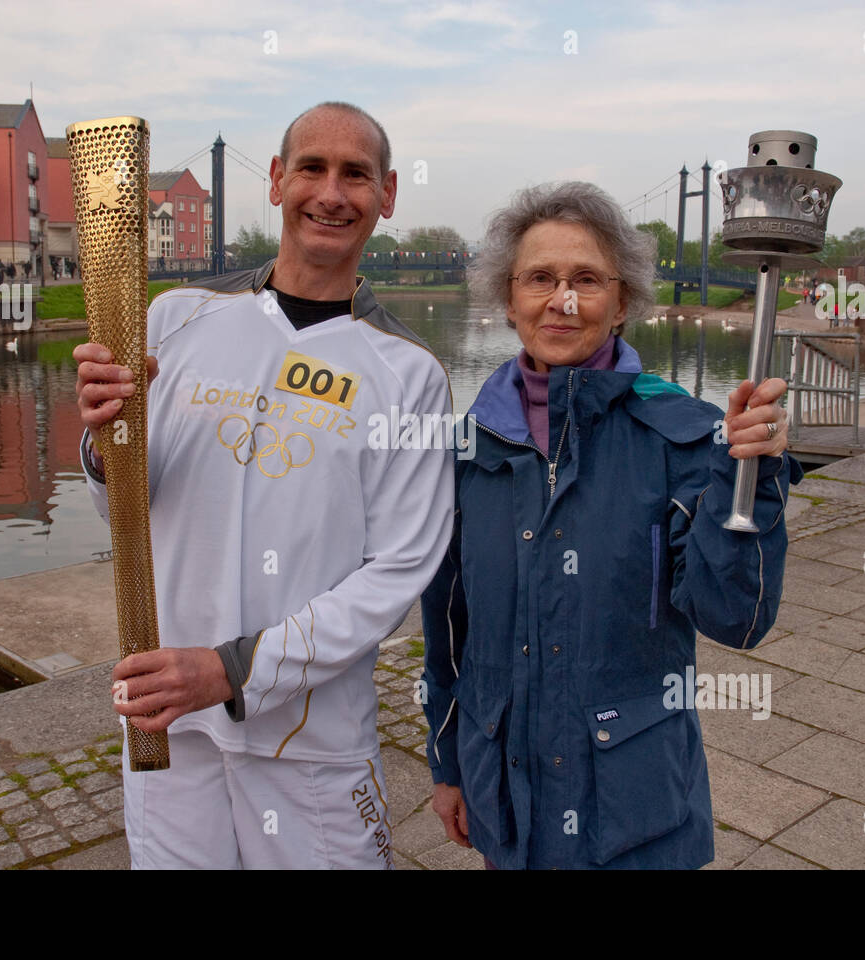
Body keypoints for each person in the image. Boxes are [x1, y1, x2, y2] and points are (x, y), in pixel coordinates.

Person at [73, 101, 453, 869]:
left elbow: (401, 570)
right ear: (277, 181)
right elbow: (133, 509)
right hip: (169, 723)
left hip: (308, 740)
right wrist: (106, 439)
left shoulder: (410, 374)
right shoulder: (173, 318)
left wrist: (236, 666)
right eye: (311, 167)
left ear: (388, 196)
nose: (331, 192)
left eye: (357, 174)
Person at [420, 181, 802, 869]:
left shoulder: (686, 440)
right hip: (506, 804)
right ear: (509, 299)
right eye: (540, 278)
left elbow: (735, 618)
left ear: (622, 302)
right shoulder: (466, 451)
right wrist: (448, 762)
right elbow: (448, 628)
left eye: (587, 279)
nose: (562, 299)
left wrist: (750, 479)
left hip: (635, 820)